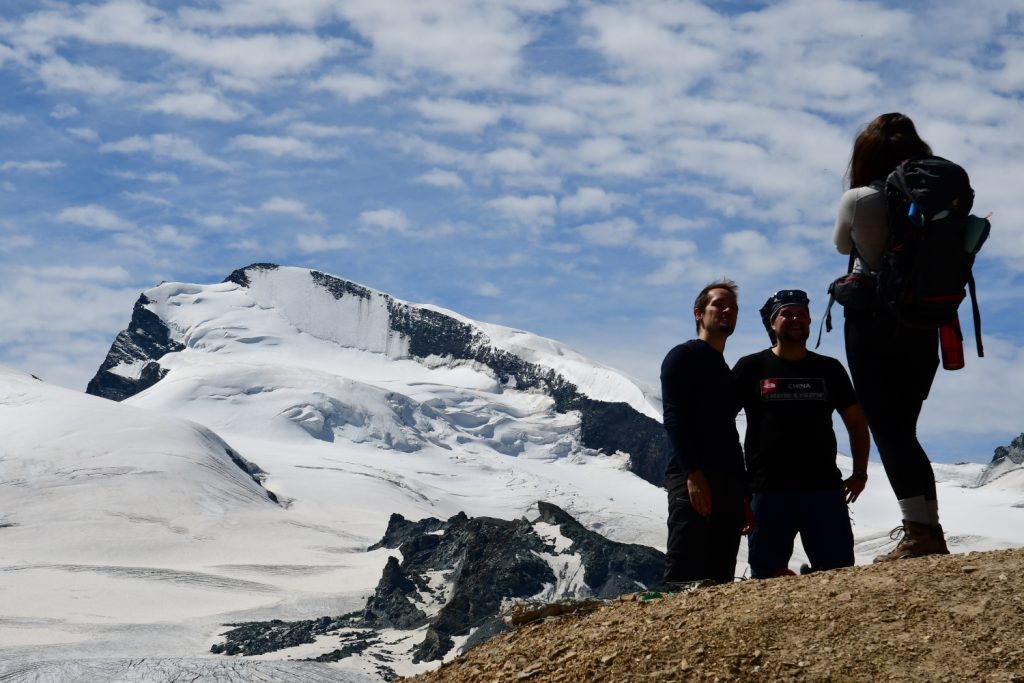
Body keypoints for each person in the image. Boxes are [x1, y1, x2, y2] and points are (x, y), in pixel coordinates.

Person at [833, 113, 951, 561]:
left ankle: (921, 532)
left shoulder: (859, 198)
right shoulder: (933, 199)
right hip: (925, 323)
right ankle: (927, 528)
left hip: (874, 323)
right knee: (906, 428)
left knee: (887, 427)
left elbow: (843, 247)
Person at [733, 290, 870, 578]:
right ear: (772, 323)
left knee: (838, 575)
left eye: (801, 315)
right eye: (786, 314)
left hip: (823, 490)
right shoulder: (751, 367)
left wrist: (860, 473)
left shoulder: (829, 369)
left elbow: (857, 422)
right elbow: (721, 421)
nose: (795, 319)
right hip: (768, 491)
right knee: (766, 578)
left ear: (809, 322)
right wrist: (739, 485)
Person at [660, 280, 750, 587]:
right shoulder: (682, 356)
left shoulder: (725, 370)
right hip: (692, 479)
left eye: (733, 307)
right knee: (684, 572)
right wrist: (693, 474)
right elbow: (674, 419)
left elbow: (728, 431)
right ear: (698, 313)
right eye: (719, 305)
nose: (728, 311)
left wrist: (744, 494)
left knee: (720, 576)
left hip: (728, 483)